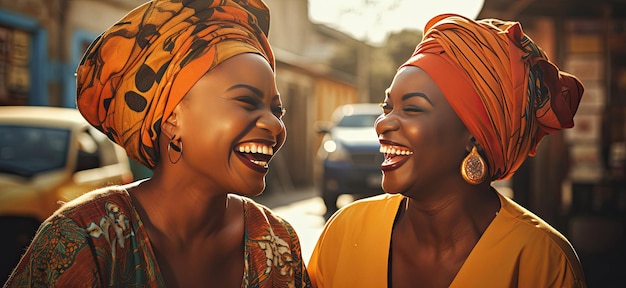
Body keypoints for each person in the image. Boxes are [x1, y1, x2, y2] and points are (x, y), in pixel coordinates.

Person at [4, 0, 312, 287]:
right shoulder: (85, 239)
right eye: (246, 101)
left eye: (277, 110)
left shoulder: (278, 243)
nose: (275, 124)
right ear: (171, 118)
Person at [308, 13, 586, 288]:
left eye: (412, 109)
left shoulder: (542, 262)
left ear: (475, 137)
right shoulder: (344, 232)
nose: (383, 123)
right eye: (387, 107)